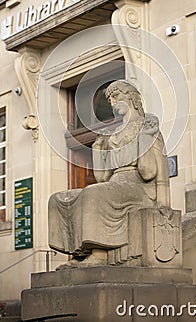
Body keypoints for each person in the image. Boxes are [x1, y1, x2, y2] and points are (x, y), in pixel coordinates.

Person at [48, 80, 169, 267]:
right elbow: (103, 177)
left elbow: (149, 172)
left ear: (130, 96)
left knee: (94, 193)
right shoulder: (113, 134)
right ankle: (80, 252)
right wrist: (97, 149)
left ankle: (100, 254)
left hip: (139, 188)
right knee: (59, 199)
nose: (112, 102)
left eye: (116, 96)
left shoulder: (147, 127)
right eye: (110, 99)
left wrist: (145, 138)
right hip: (114, 185)